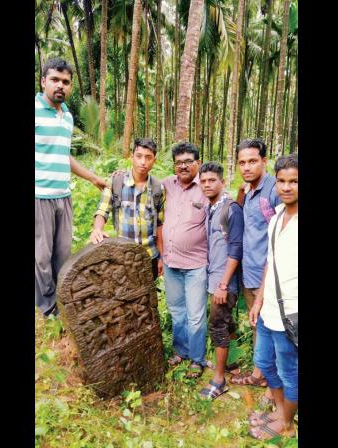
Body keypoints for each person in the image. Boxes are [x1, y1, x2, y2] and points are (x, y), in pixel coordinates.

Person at [35, 58, 107, 317]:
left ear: (71, 87)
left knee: (62, 255)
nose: (60, 86)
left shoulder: (66, 115)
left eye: (65, 82)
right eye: (54, 80)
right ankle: (48, 308)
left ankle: (63, 299)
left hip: (63, 196)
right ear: (43, 81)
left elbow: (65, 156)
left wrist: (93, 178)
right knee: (40, 258)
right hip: (39, 197)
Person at [247, 153, 299, 440]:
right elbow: (271, 260)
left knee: (289, 371)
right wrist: (258, 300)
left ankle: (287, 425)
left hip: (292, 314)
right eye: (281, 181)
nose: (287, 187)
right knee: (264, 363)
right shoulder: (277, 215)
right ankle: (281, 412)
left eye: (294, 181)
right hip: (270, 310)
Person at [230, 139, 282, 398]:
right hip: (250, 272)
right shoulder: (249, 190)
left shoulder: (274, 190)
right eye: (242, 162)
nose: (247, 167)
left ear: (264, 160)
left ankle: (274, 388)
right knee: (258, 326)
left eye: (252, 161)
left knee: (273, 329)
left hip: (271, 276)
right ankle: (260, 375)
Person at [157, 142, 210, 379]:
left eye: (189, 161)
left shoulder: (207, 187)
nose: (184, 166)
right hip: (170, 263)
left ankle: (197, 359)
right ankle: (181, 351)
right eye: (179, 162)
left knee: (196, 315)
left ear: (198, 162)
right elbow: (143, 181)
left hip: (196, 264)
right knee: (177, 312)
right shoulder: (167, 184)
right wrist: (121, 175)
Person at [196, 162, 245, 400]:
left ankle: (219, 379)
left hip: (223, 281)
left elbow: (235, 249)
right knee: (227, 323)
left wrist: (224, 284)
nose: (207, 185)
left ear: (222, 181)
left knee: (217, 325)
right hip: (213, 276)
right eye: (203, 181)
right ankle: (231, 365)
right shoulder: (211, 207)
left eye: (211, 180)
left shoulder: (231, 209)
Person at [90, 138, 164, 281]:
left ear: (154, 160)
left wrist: (162, 257)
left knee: (146, 298)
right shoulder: (116, 182)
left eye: (148, 157)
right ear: (132, 157)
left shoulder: (157, 188)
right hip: (123, 255)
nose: (143, 162)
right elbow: (102, 210)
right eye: (139, 156)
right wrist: (97, 229)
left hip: (150, 255)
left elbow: (160, 225)